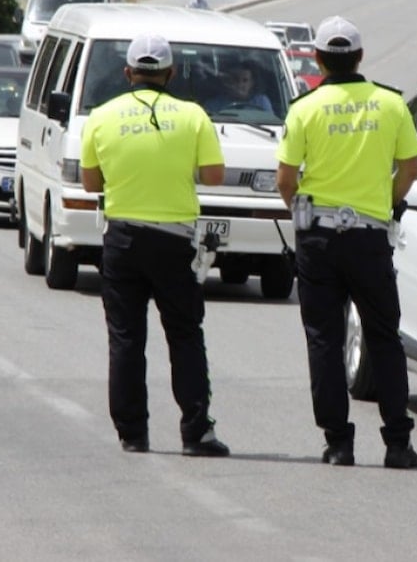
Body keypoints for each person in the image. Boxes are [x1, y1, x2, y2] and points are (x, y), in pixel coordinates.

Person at [275, 15, 417, 469]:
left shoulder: (305, 108)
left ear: (318, 59)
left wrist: (299, 211)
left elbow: (285, 178)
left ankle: (338, 442)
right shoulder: (391, 104)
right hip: (369, 237)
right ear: (360, 57)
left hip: (318, 237)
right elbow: (410, 170)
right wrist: (384, 203)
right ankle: (398, 443)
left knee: (324, 339)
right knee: (384, 338)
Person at [79, 33, 231, 458]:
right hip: (174, 240)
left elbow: (92, 182)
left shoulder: (102, 116)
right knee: (184, 336)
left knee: (126, 338)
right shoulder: (193, 115)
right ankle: (195, 431)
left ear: (128, 73)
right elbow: (214, 175)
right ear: (171, 73)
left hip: (122, 238)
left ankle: (132, 433)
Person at [204, 62, 274, 115]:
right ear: (228, 81)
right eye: (236, 79)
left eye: (245, 80)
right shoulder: (214, 105)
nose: (240, 84)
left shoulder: (261, 102)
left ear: (252, 83)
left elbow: (272, 125)